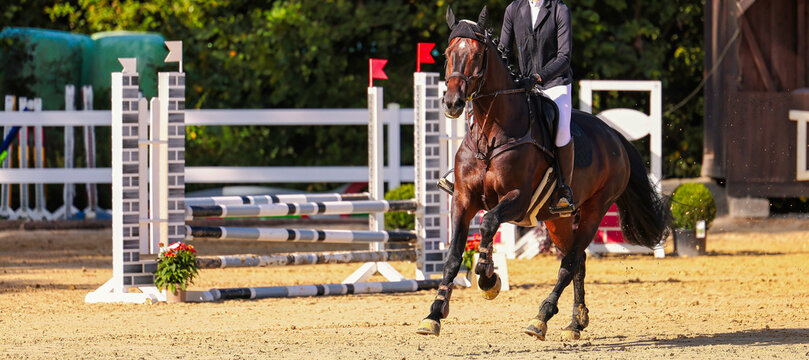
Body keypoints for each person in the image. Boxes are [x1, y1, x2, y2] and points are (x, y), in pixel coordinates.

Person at [499, 0, 575, 216]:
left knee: (561, 130)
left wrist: (539, 77)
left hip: (554, 83)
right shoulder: (514, 9)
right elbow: (503, 50)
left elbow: (564, 57)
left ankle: (563, 190)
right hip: (523, 83)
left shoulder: (559, 10)